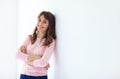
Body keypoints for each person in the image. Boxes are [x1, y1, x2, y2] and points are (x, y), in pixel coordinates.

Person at [16, 11, 56, 79]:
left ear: (49, 25)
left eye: (44, 22)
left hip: (40, 76)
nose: (40, 23)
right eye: (39, 20)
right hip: (25, 75)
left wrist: (27, 61)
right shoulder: (29, 38)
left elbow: (42, 63)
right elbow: (17, 55)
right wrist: (38, 58)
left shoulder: (51, 41)